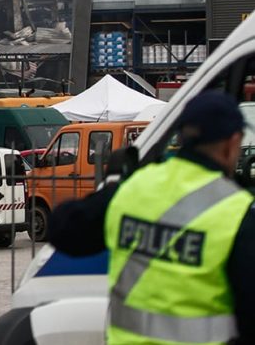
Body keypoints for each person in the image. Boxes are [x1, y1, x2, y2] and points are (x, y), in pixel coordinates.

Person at [49, 91, 255, 344]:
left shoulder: (132, 188)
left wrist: (110, 189)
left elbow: (62, 229)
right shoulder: (237, 211)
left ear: (182, 136)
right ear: (232, 143)